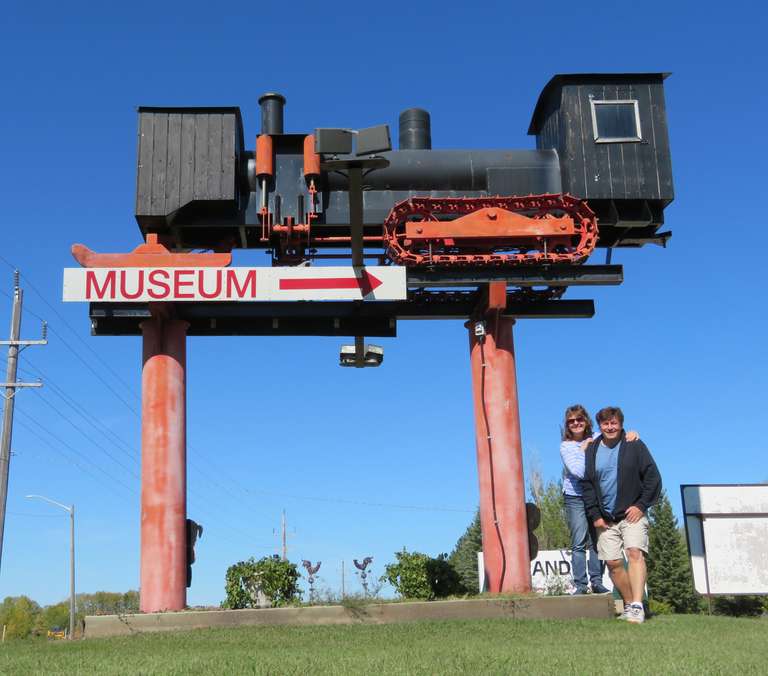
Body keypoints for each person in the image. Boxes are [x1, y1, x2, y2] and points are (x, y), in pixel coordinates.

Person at [581, 406, 661, 624]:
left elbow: (653, 477)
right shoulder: (592, 449)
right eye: (606, 424)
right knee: (614, 563)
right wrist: (595, 515)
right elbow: (587, 484)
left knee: (634, 553)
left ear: (621, 424)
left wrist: (641, 505)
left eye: (614, 423)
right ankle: (630, 604)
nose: (610, 427)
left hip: (632, 513)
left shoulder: (634, 444)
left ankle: (637, 605)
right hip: (605, 518)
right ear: (600, 426)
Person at [560, 405, 613, 595]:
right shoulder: (566, 446)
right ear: (567, 425)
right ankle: (581, 585)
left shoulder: (598, 437)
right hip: (575, 497)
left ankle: (597, 582)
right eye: (571, 421)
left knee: (597, 540)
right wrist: (585, 450)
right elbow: (579, 472)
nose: (576, 423)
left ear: (586, 420)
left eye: (579, 419)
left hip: (596, 496)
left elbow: (615, 438)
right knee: (579, 541)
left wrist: (630, 434)